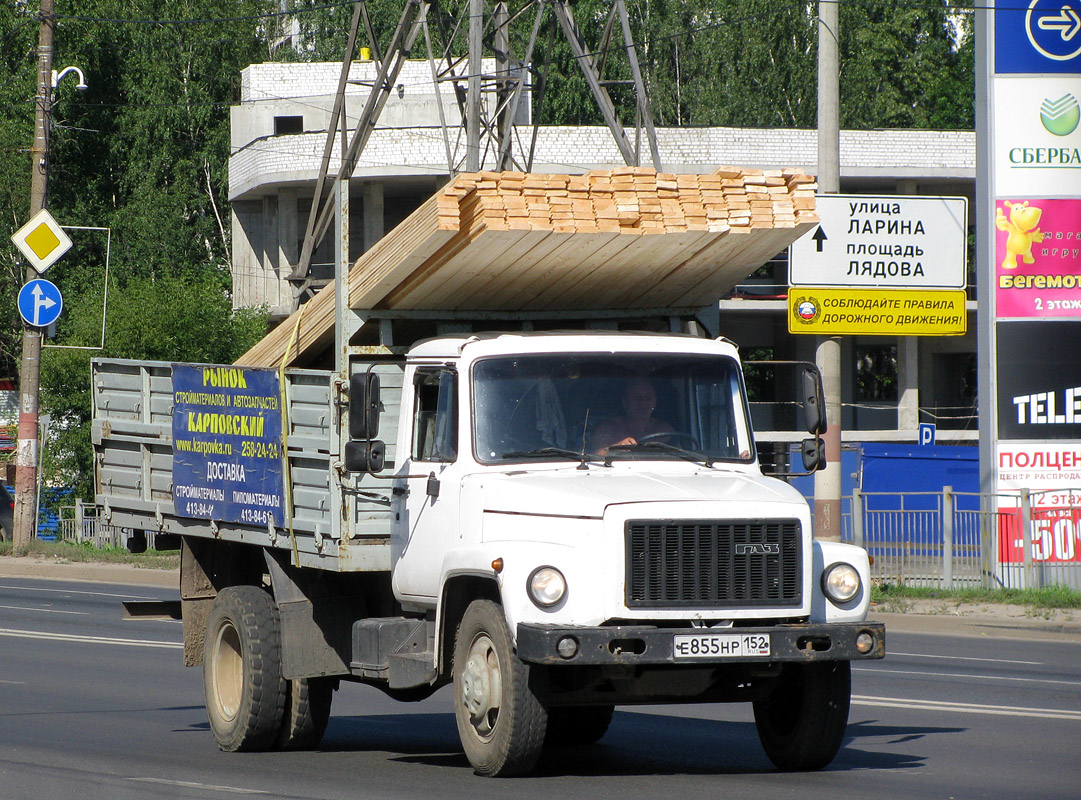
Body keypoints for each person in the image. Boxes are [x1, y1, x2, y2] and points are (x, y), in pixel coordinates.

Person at [590, 377, 673, 454]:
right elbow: (594, 456)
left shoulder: (665, 430)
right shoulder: (607, 429)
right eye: (636, 396)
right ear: (625, 401)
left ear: (654, 401)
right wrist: (617, 448)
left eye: (648, 396)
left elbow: (681, 456)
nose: (642, 402)